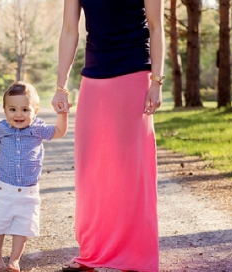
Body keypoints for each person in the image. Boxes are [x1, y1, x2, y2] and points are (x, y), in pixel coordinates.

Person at [53, 1, 164, 272]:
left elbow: (156, 26)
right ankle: (91, 252)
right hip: (93, 76)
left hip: (134, 73)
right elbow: (70, 30)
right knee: (91, 169)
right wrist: (61, 86)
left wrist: (157, 82)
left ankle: (136, 257)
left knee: (132, 170)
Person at [0, 82, 68, 272]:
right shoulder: (2, 128)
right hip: (4, 189)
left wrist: (63, 114)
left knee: (22, 228)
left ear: (35, 110)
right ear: (5, 110)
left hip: (28, 191)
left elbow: (59, 131)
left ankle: (15, 259)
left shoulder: (38, 128)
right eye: (13, 109)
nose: (18, 115)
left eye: (25, 109)